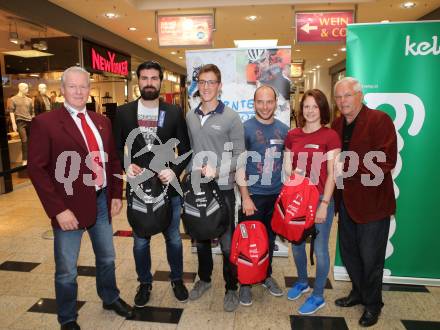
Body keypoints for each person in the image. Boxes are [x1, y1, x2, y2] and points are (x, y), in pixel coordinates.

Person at [27, 66, 132, 330]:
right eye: (72, 86)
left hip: (100, 201)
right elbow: (36, 170)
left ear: (89, 88)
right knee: (66, 269)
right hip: (68, 208)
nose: (78, 91)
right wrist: (58, 210)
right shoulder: (46, 123)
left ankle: (110, 297)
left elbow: (112, 160)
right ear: (62, 90)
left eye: (83, 86)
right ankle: (67, 317)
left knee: (107, 257)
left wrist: (115, 194)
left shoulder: (101, 121)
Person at [113, 61, 191, 306]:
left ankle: (177, 279)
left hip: (168, 189)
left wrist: (174, 171)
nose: (149, 82)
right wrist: (127, 165)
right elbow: (116, 148)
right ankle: (144, 283)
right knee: (140, 240)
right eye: (144, 78)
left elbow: (185, 149)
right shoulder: (124, 112)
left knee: (174, 239)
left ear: (160, 81)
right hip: (139, 189)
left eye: (154, 78)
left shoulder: (174, 111)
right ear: (138, 81)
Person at [332, 77, 397, 327]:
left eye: (347, 95)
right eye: (338, 97)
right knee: (350, 255)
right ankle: (358, 293)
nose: (342, 101)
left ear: (359, 95)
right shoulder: (337, 123)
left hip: (373, 204)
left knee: (371, 259)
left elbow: (385, 160)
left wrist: (347, 165)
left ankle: (373, 305)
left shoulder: (379, 120)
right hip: (346, 202)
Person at [186, 64, 245, 312]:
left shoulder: (231, 117)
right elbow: (192, 149)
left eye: (211, 82)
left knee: (227, 242)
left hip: (222, 189)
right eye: (202, 82)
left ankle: (232, 287)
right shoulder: (190, 115)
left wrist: (217, 169)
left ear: (219, 86)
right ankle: (205, 279)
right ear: (197, 85)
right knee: (200, 237)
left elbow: (241, 156)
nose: (206, 87)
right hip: (197, 187)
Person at [284, 89, 341, 315]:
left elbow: (333, 174)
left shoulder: (330, 136)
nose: (310, 111)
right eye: (306, 106)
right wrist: (292, 173)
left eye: (314, 106)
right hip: (297, 198)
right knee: (296, 244)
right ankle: (301, 281)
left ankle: (318, 295)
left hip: (319, 199)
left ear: (322, 110)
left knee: (320, 249)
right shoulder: (293, 135)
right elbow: (287, 164)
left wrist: (325, 204)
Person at [237, 85, 289, 306]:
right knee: (248, 243)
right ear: (254, 103)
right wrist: (246, 197)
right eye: (260, 102)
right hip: (253, 197)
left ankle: (266, 276)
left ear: (276, 103)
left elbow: (287, 164)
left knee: (268, 241)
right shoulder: (245, 128)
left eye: (269, 102)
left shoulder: (285, 129)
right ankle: (245, 284)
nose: (265, 106)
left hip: (276, 196)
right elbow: (239, 165)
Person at [7, 82, 33, 165]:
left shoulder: (29, 100)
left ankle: (32, 157)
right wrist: (14, 124)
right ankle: (25, 159)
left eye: (27, 88)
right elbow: (11, 112)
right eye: (26, 88)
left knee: (31, 141)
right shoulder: (13, 99)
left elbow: (32, 112)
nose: (27, 90)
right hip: (20, 122)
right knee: (24, 140)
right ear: (20, 88)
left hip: (30, 122)